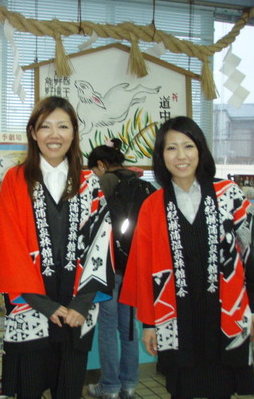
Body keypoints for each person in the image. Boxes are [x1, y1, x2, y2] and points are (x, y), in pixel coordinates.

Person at [120, 116, 254, 399]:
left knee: (222, 389)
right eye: (171, 148)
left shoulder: (229, 194)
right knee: (182, 389)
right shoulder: (152, 205)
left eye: (188, 146)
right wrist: (149, 325)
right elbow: (144, 270)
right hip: (177, 319)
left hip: (225, 315)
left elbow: (252, 254)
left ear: (200, 149)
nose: (181, 156)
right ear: (161, 156)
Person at [0, 96, 115, 399]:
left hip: (77, 310)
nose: (54, 135)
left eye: (63, 126)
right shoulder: (16, 180)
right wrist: (43, 304)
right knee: (28, 388)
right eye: (45, 126)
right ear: (33, 133)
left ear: (74, 132)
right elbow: (8, 243)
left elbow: (101, 244)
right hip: (30, 305)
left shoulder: (89, 182)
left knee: (69, 389)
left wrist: (82, 304)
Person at [86, 139, 155, 399]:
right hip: (134, 267)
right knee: (128, 328)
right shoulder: (139, 182)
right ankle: (129, 384)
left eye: (94, 169)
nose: (94, 174)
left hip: (111, 266)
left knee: (107, 327)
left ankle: (109, 386)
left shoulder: (104, 182)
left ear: (101, 165)